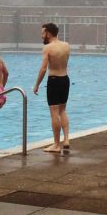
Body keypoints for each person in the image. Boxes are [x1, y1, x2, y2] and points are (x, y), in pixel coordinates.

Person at [33, 22, 71, 154]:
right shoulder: (66, 46)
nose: (41, 35)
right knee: (63, 111)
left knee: (54, 112)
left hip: (54, 80)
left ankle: (56, 144)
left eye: (43, 33)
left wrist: (37, 84)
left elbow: (43, 68)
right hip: (65, 79)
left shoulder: (47, 48)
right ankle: (66, 140)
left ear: (48, 33)